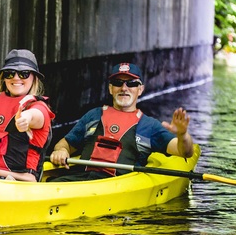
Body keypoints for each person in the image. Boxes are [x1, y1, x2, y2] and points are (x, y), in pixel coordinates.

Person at [48, 62, 194, 181]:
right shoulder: (93, 116)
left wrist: (183, 135)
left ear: (140, 89)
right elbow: (65, 143)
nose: (124, 88)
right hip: (80, 180)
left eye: (131, 83)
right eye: (118, 83)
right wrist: (61, 150)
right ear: (111, 88)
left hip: (117, 185)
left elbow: (184, 152)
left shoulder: (150, 126)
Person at [0, 49, 55, 182]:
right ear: (4, 78)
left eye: (24, 74)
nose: (16, 78)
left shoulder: (38, 108)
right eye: (10, 73)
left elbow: (35, 116)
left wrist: (25, 119)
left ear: (34, 77)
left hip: (19, 182)